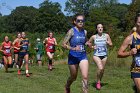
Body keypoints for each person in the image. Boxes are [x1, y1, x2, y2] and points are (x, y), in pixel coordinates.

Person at [62, 14, 89, 93]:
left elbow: (85, 41)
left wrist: (88, 44)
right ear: (75, 22)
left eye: (82, 21)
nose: (80, 22)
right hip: (73, 57)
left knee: (85, 77)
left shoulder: (85, 31)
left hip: (83, 56)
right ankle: (67, 85)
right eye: (78, 21)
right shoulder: (72, 31)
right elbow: (63, 44)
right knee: (73, 77)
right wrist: (73, 48)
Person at [118, 14, 140, 93]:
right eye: (139, 22)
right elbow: (119, 53)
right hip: (136, 69)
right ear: (136, 23)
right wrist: (130, 52)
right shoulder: (130, 38)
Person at [87, 24, 112, 90]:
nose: (100, 28)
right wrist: (92, 47)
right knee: (100, 68)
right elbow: (88, 43)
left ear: (103, 28)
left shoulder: (106, 35)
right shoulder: (94, 37)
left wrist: (108, 43)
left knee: (102, 70)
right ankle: (98, 82)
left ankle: (99, 81)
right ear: (97, 29)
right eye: (99, 27)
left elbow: (111, 44)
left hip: (104, 55)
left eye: (101, 27)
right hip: (96, 55)